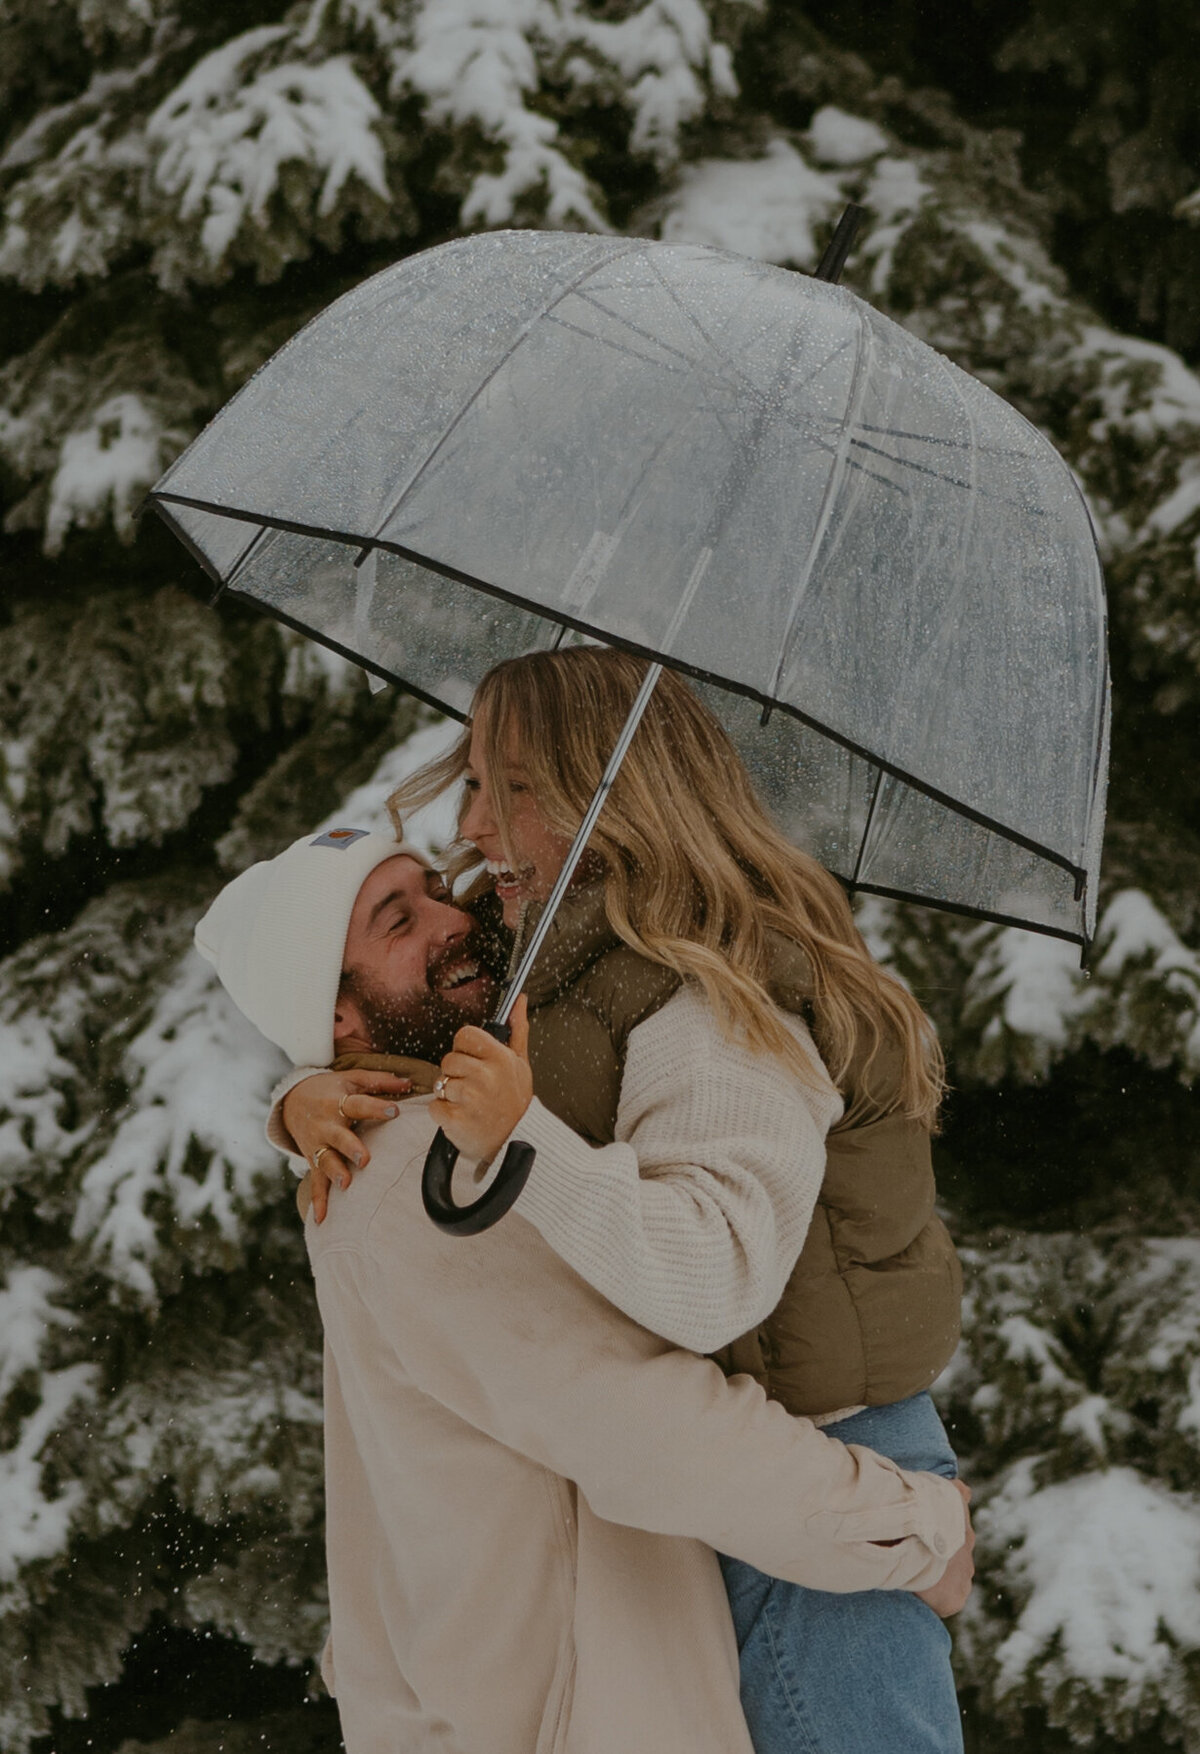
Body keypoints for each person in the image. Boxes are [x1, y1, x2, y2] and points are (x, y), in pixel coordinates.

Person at [280, 646, 969, 1754]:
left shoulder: (706, 990)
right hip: (768, 1493)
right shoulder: (563, 959)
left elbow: (708, 1278)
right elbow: (382, 1022)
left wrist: (913, 1528)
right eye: (468, 782)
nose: (472, 830)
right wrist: (302, 1090)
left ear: (611, 793)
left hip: (827, 1477)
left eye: (512, 789)